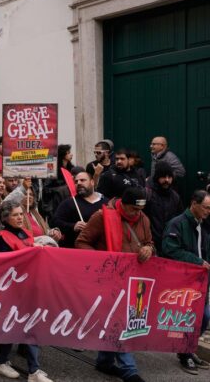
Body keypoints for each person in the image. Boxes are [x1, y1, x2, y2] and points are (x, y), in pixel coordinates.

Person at [75, 187, 153, 382]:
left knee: (119, 321)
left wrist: (149, 249)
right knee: (118, 322)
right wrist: (105, 261)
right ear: (123, 205)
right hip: (108, 280)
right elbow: (81, 242)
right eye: (133, 209)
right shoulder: (101, 217)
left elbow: (149, 242)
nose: (137, 213)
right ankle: (129, 370)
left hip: (132, 281)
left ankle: (105, 361)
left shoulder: (143, 219)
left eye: (140, 210)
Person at [0, 200, 53, 382]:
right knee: (16, 327)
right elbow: (5, 266)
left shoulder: (25, 233)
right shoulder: (2, 238)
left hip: (29, 287)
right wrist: (31, 252)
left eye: (21, 214)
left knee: (25, 326)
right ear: (5, 218)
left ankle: (15, 365)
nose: (20, 217)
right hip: (13, 290)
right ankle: (25, 368)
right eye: (15, 215)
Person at [160, 190, 210, 375]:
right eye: (206, 207)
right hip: (184, 281)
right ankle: (184, 353)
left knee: (204, 317)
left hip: (201, 281)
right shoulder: (177, 223)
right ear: (194, 204)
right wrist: (198, 262)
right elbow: (169, 249)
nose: (208, 211)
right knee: (189, 318)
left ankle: (188, 349)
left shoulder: (203, 224)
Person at [50, 169, 107, 248]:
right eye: (76, 181)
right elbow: (54, 222)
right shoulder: (69, 203)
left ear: (92, 182)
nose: (79, 183)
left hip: (102, 250)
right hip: (75, 249)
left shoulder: (106, 203)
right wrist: (73, 226)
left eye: (82, 180)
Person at [144, 161, 183, 251]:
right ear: (157, 177)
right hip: (150, 245)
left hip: (170, 243)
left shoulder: (175, 197)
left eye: (169, 177)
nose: (167, 180)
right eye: (163, 177)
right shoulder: (147, 194)